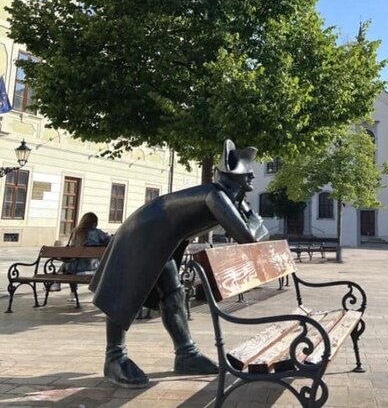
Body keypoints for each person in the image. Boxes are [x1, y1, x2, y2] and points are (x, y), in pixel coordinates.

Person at [89, 140, 269, 388]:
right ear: (232, 175)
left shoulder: (231, 197)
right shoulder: (216, 196)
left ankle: (186, 353)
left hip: (164, 239)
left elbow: (259, 235)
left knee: (173, 293)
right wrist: (252, 219)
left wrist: (249, 215)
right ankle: (114, 358)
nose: (252, 176)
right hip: (143, 233)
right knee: (125, 292)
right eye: (247, 172)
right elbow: (248, 238)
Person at [66, 212, 111, 301]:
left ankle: (73, 293)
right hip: (93, 268)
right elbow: (110, 241)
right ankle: (100, 294)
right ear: (94, 223)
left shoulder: (75, 232)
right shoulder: (97, 233)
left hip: (74, 269)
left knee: (70, 265)